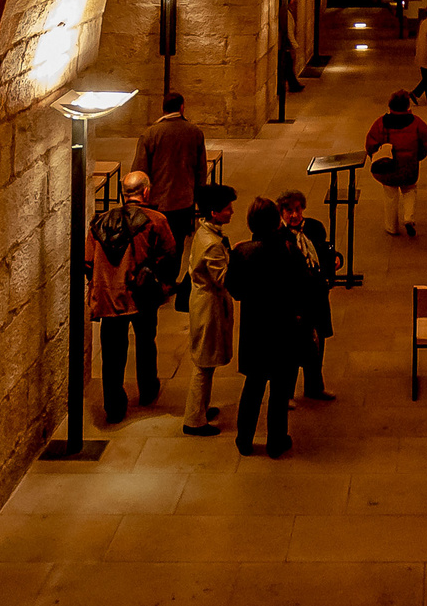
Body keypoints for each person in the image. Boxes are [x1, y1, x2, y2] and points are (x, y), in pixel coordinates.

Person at [87, 171, 176, 424]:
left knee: (112, 353)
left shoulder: (100, 222)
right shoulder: (156, 220)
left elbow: (87, 260)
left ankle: (113, 406)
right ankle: (147, 390)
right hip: (142, 294)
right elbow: (168, 254)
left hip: (109, 297)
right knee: (147, 342)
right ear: (146, 192)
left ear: (122, 193)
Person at [227, 197, 303, 458]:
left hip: (255, 328)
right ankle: (276, 441)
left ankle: (244, 440)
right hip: (283, 329)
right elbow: (301, 287)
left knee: (253, 387)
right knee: (280, 391)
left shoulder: (242, 252)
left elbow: (235, 290)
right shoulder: (289, 250)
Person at [132, 92, 207, 308]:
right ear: (182, 107)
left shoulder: (150, 134)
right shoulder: (194, 132)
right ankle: (168, 281)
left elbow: (140, 170)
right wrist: (198, 199)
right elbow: (201, 170)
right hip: (183, 200)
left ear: (162, 108)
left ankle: (154, 281)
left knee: (155, 245)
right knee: (177, 245)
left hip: (157, 203)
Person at [182, 183, 235, 437]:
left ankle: (202, 408)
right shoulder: (212, 243)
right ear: (214, 213)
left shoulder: (204, 233)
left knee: (207, 360)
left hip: (204, 301)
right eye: (227, 209)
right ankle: (194, 419)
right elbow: (223, 278)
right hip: (208, 306)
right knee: (203, 363)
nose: (231, 212)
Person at [277, 189, 336, 401]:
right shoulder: (278, 236)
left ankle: (314, 387)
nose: (294, 215)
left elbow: (326, 252)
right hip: (295, 299)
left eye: (298, 210)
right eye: (289, 211)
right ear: (281, 212)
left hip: (317, 294)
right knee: (292, 348)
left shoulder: (314, 227)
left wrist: (333, 264)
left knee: (318, 342)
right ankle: (286, 394)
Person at [365, 89, 427, 236]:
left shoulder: (380, 123)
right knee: (409, 190)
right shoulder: (417, 123)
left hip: (387, 167)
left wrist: (375, 155)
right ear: (407, 107)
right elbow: (425, 144)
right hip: (409, 166)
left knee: (390, 195)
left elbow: (370, 144)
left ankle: (391, 227)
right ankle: (409, 218)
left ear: (390, 106)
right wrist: (417, 157)